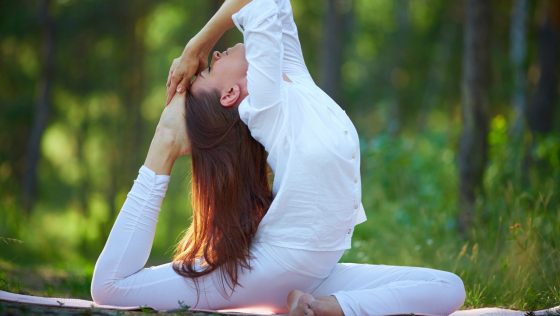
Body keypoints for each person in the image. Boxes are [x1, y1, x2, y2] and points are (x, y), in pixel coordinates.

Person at [91, 0, 466, 315]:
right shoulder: (264, 102)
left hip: (311, 269)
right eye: (210, 67)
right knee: (111, 288)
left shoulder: (291, 76)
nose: (215, 54)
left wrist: (196, 46)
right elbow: (263, 6)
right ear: (230, 95)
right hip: (273, 266)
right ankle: (164, 145)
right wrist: (195, 54)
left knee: (449, 287)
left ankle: (321, 307)